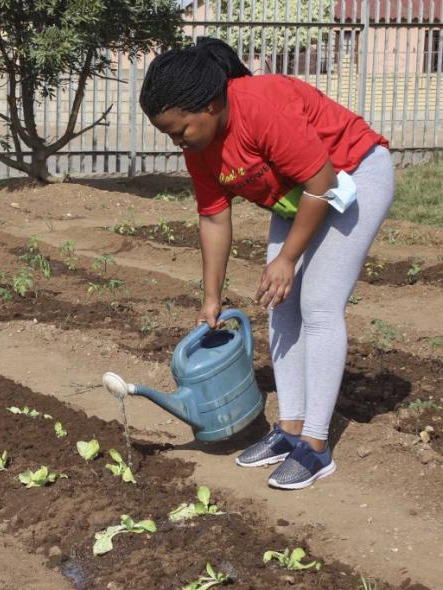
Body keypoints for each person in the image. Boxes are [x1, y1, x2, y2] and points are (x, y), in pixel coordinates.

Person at [139, 38, 392, 490]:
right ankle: (289, 429)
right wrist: (211, 298)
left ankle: (315, 447)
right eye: (169, 133)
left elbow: (322, 182)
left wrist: (288, 259)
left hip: (352, 175)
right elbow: (214, 217)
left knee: (318, 304)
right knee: (280, 304)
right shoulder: (200, 148)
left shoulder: (261, 106)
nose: (176, 141)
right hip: (299, 194)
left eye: (180, 130)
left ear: (212, 104)